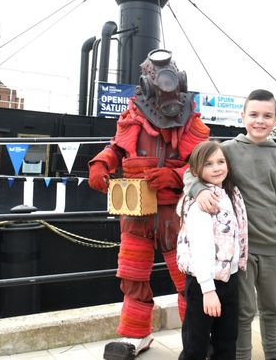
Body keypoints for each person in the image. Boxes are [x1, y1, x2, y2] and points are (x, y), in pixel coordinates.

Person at [87, 49, 209, 360]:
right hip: (135, 211)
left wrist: (174, 175)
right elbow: (117, 147)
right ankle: (135, 334)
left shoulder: (190, 119)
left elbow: (202, 163)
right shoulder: (133, 114)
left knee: (187, 274)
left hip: (176, 212)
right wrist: (101, 163)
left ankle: (196, 337)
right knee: (132, 273)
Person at [185, 89, 276, 360]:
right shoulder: (227, 151)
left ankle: (274, 354)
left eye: (267, 116)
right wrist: (199, 190)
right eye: (254, 114)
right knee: (243, 312)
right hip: (241, 251)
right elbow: (191, 172)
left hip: (273, 248)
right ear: (243, 116)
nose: (260, 121)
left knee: (273, 307)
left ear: (275, 119)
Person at [177, 141, 248, 360]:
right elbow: (201, 250)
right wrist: (208, 291)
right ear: (196, 170)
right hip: (204, 283)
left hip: (229, 278)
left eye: (220, 162)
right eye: (208, 164)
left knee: (226, 341)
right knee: (196, 344)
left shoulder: (230, 194)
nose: (216, 168)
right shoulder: (202, 203)